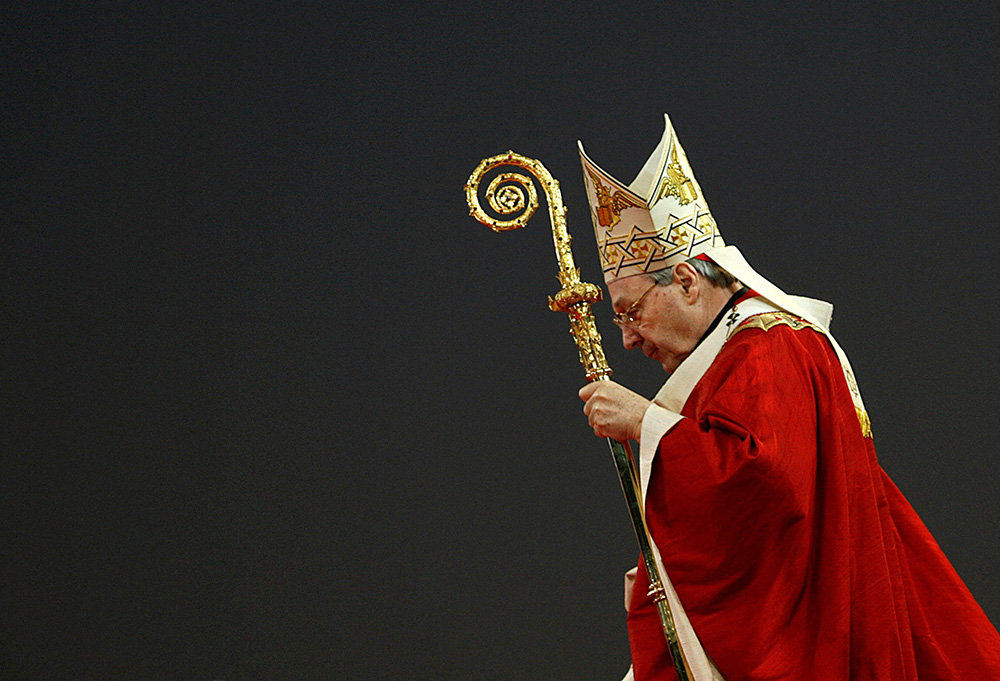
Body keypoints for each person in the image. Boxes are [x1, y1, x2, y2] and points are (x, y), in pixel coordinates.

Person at [576, 115, 1000, 680]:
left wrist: (645, 422)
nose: (626, 338)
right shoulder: (735, 351)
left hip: (810, 641)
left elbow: (764, 484)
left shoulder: (768, 348)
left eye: (630, 311)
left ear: (685, 280)